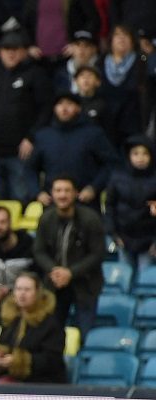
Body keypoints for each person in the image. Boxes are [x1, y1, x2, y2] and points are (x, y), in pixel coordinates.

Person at [0, 30, 53, 204]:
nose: (11, 53)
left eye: (16, 49)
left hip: (21, 151)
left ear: (24, 51)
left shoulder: (35, 74)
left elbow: (46, 109)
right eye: (6, 49)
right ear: (0, 52)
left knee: (21, 197)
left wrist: (31, 137)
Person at [32, 176, 106, 333]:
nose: (62, 195)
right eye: (58, 190)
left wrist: (70, 273)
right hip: (54, 285)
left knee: (85, 334)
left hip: (86, 285)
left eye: (67, 190)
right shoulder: (46, 218)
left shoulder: (91, 219)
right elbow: (39, 251)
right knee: (51, 334)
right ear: (52, 194)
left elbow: (98, 254)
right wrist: (54, 270)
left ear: (75, 193)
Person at [27, 92, 119, 210]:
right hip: (53, 204)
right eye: (60, 104)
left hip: (85, 201)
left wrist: (94, 188)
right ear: (54, 108)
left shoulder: (94, 134)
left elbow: (111, 164)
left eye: (69, 104)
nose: (64, 108)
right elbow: (30, 168)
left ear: (78, 108)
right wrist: (37, 192)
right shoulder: (43, 136)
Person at [0, 272, 67, 383]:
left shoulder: (51, 323)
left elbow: (52, 360)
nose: (22, 294)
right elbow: (3, 345)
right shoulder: (11, 320)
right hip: (12, 379)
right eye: (18, 289)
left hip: (43, 382)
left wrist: (18, 361)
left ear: (37, 293)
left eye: (27, 290)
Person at [104, 135, 156, 271]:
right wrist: (113, 233)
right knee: (124, 277)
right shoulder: (117, 178)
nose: (140, 158)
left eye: (145, 153)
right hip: (123, 238)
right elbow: (109, 206)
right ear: (128, 156)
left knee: (146, 278)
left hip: (149, 241)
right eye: (136, 153)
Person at [0, 205, 35, 325]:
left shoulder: (29, 246)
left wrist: (11, 290)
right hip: (2, 305)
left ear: (10, 222)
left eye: (3, 222)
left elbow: (38, 276)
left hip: (29, 306)